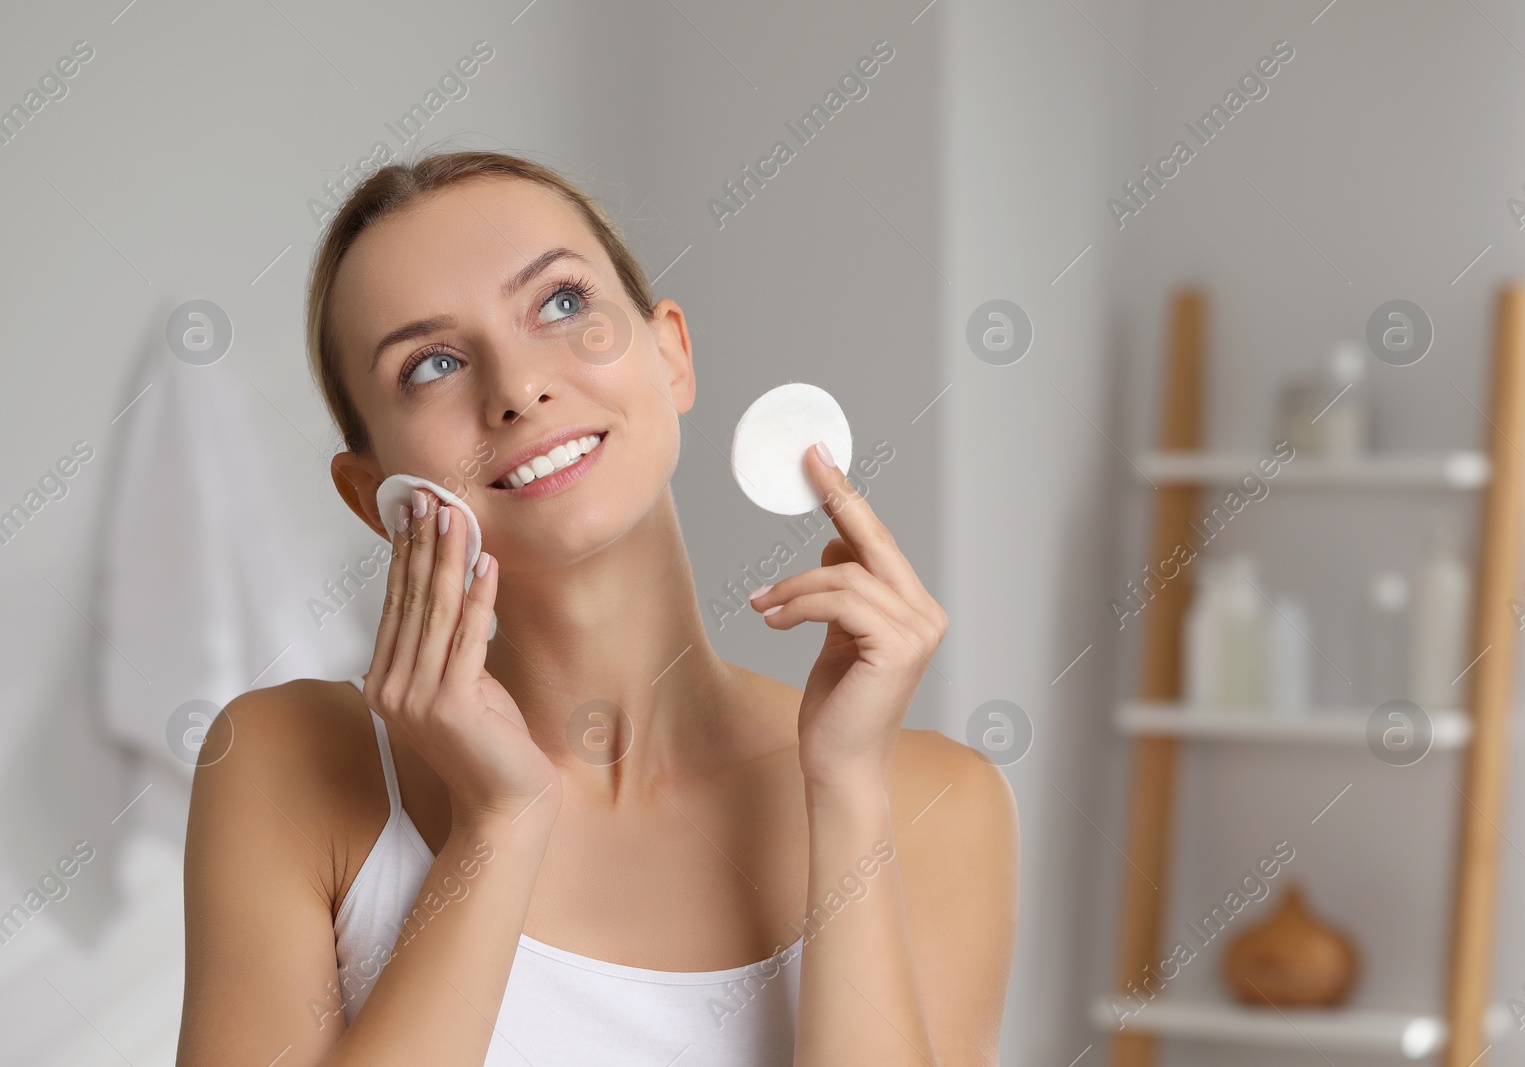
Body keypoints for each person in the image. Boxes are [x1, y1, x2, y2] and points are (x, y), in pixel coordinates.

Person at [176, 150, 1018, 1066]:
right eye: (433, 364)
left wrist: (847, 791)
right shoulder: (288, 759)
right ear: (372, 492)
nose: (518, 388)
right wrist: (497, 826)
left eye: (562, 303)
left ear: (672, 355)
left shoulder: (936, 802)